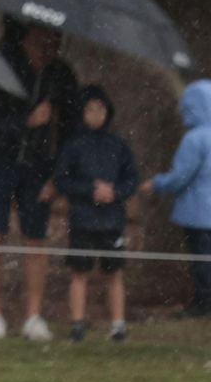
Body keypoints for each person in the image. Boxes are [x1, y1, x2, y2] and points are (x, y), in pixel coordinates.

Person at [0, 21, 79, 341]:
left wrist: (57, 177)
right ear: (26, 40)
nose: (48, 50)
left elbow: (70, 133)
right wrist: (26, 121)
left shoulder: (61, 75)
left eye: (55, 44)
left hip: (38, 166)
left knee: (35, 237)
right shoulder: (0, 67)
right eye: (41, 43)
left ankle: (33, 315)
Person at [54, 85, 137, 342]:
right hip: (83, 220)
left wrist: (115, 192)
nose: (95, 114)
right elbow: (61, 180)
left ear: (107, 111)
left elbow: (131, 179)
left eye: (100, 109)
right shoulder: (73, 145)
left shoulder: (119, 145)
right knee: (79, 272)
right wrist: (90, 189)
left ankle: (118, 325)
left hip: (112, 221)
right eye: (90, 109)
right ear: (82, 113)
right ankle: (77, 323)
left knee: (114, 273)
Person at [140, 79, 211, 319]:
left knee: (201, 259)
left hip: (198, 212)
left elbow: (181, 176)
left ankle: (203, 303)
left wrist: (156, 184)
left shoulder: (194, 139)